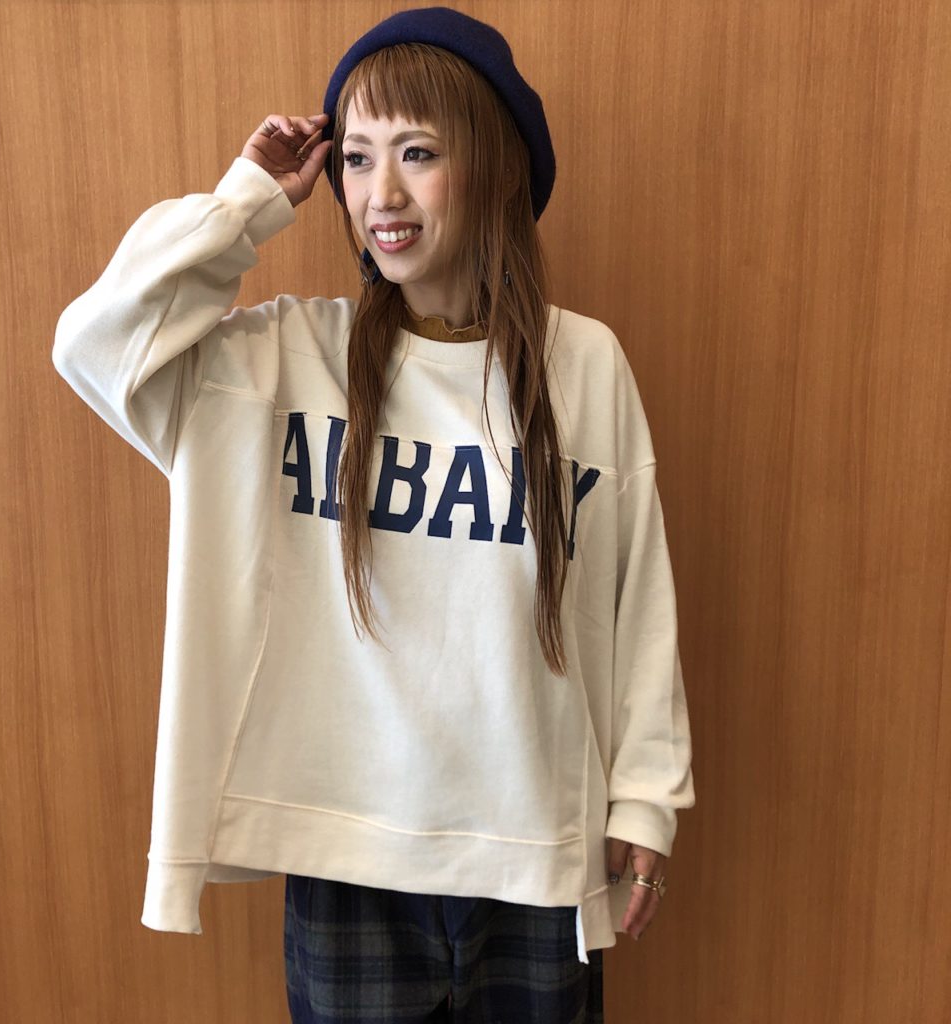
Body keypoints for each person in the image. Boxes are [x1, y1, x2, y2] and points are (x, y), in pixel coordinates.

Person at [52, 6, 694, 1022]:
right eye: (355, 158)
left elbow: (633, 595)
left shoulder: (583, 364)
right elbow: (94, 344)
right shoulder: (277, 361)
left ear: (494, 167)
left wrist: (647, 798)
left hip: (535, 849)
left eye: (417, 153)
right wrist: (249, 199)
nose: (379, 194)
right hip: (347, 854)